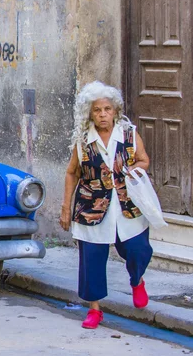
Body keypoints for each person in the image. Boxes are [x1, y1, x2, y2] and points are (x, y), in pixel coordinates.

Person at [59, 81, 153, 329]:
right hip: (91, 207)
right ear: (90, 113)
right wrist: (65, 207)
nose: (103, 115)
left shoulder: (129, 134)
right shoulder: (83, 141)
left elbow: (144, 160)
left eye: (107, 109)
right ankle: (95, 310)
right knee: (92, 258)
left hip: (126, 205)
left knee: (138, 248)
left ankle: (137, 280)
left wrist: (134, 169)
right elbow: (72, 173)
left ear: (115, 111)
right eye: (97, 110)